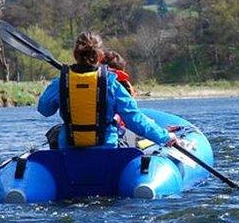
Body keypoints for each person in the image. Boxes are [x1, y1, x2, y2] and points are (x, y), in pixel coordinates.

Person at [37, 32, 170, 149]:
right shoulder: (111, 83)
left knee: (55, 133)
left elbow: (44, 110)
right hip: (106, 150)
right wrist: (165, 137)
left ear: (74, 54)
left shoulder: (60, 82)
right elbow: (135, 120)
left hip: (69, 150)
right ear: (100, 56)